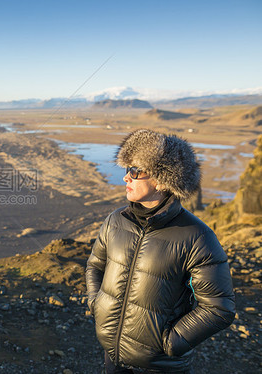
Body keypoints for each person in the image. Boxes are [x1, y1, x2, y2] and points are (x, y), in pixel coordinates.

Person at [86, 129, 235, 373]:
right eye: (127, 170)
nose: (126, 178)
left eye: (136, 171)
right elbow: (95, 265)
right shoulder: (116, 221)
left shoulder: (196, 236)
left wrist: (169, 343)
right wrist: (96, 304)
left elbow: (219, 307)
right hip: (113, 357)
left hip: (160, 366)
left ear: (163, 180)